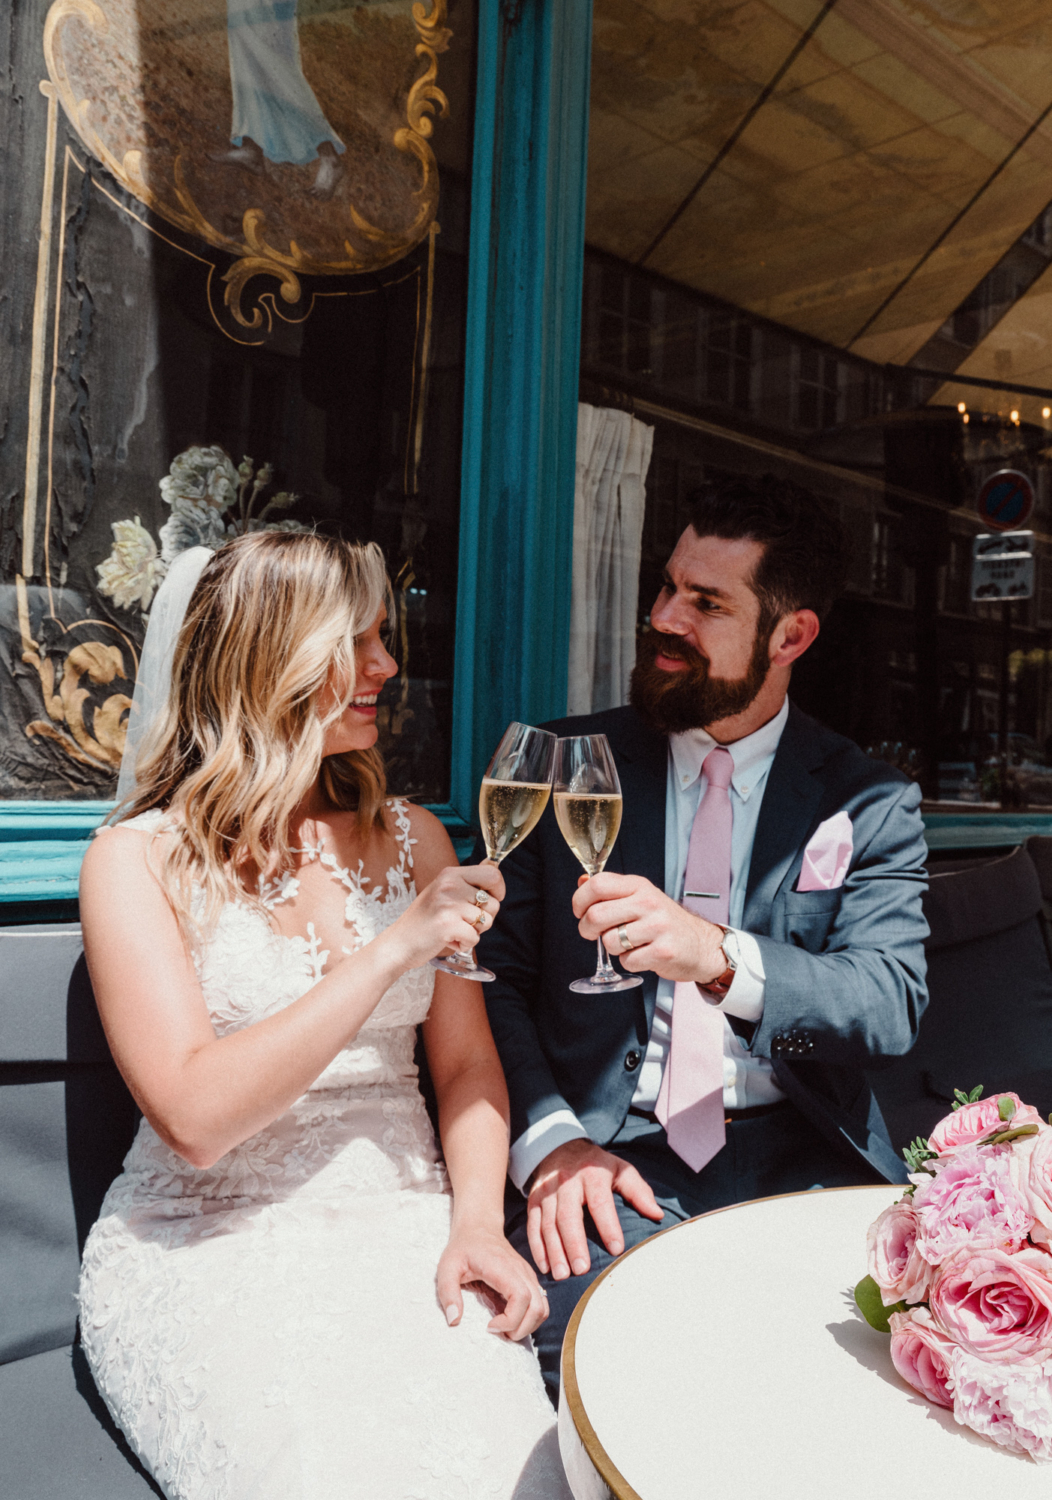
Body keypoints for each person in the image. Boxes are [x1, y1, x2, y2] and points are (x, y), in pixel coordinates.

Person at [78, 532, 571, 1500]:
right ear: (274, 659)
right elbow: (195, 1118)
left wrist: (476, 1223)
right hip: (206, 1249)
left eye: (384, 638)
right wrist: (391, 948)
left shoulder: (414, 838)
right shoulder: (136, 863)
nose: (387, 666)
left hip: (405, 1230)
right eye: (360, 641)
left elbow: (467, 1068)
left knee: (522, 1474)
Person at [477, 474, 930, 1404]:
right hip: (610, 1159)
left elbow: (888, 1004)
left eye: (706, 603)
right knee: (616, 1377)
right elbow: (491, 981)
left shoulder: (870, 800)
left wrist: (719, 957)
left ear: (790, 636)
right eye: (668, 587)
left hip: (803, 1161)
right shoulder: (563, 764)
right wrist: (549, 1142)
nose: (665, 617)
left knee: (846, 1398)